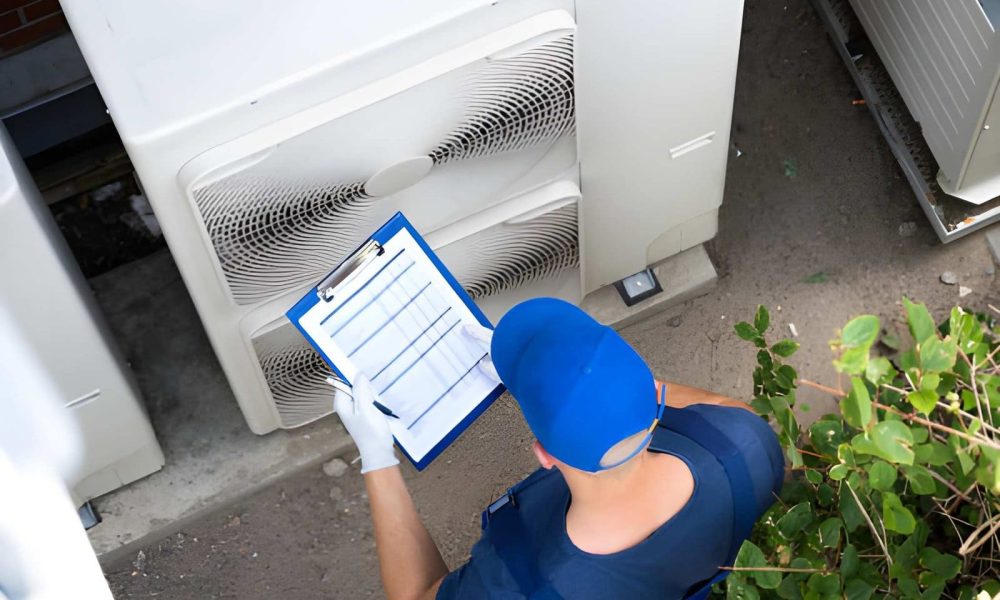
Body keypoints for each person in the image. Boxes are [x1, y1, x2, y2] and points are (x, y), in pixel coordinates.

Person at [333, 297, 784, 600]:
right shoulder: (745, 441)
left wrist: (377, 457)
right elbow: (712, 404)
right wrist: (575, 380)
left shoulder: (516, 582)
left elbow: (417, 594)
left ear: (544, 455)